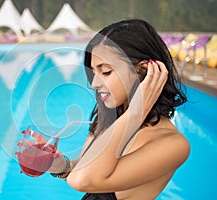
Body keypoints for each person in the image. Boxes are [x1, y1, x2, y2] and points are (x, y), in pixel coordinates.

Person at [48, 19, 190, 200]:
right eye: (93, 72)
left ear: (143, 70)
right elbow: (86, 167)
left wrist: (137, 111)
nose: (94, 83)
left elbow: (82, 180)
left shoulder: (173, 145)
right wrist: (60, 166)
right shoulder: (111, 117)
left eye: (105, 72)